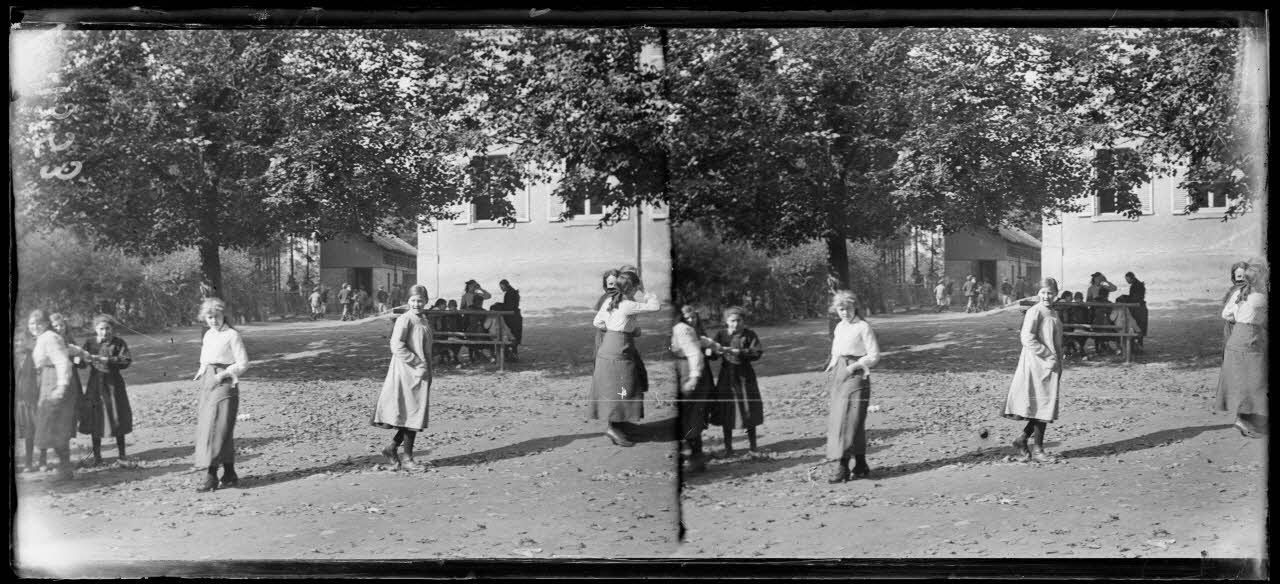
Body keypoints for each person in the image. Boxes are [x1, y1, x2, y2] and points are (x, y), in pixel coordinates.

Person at [590, 271, 661, 447]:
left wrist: (619, 328)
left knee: (619, 386)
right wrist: (646, 292)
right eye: (637, 287)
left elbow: (597, 322)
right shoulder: (628, 304)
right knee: (623, 386)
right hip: (620, 349)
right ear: (634, 287)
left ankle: (620, 424)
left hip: (610, 346)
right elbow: (655, 306)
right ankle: (613, 427)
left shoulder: (611, 300)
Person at [372, 285, 435, 470]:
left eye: (420, 300)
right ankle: (407, 459)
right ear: (408, 301)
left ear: (426, 302)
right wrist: (417, 362)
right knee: (412, 414)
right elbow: (396, 345)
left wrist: (426, 366)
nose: (417, 303)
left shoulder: (422, 319)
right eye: (414, 300)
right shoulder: (405, 319)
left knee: (414, 414)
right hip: (407, 372)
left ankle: (392, 448)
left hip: (420, 373)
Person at [822, 290, 881, 483]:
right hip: (840, 372)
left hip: (857, 372)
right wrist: (832, 366)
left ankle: (842, 467)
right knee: (840, 419)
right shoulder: (839, 326)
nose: (845, 313)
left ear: (855, 307)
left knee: (850, 419)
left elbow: (873, 356)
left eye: (848, 308)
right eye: (841, 309)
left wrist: (853, 367)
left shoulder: (863, 327)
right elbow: (836, 350)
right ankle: (861, 464)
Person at [192, 298, 250, 492]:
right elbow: (204, 358)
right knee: (213, 427)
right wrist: (202, 374)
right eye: (209, 317)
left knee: (218, 428)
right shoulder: (208, 334)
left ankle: (211, 476)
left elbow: (243, 364)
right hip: (208, 382)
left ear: (223, 315)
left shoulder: (232, 335)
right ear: (205, 318)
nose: (213, 320)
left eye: (216, 316)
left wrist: (222, 375)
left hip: (225, 382)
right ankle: (230, 473)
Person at [1003, 280, 1064, 463]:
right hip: (1036, 364)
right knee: (1042, 405)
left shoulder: (1053, 312)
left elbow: (1056, 340)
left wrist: (1059, 360)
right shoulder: (1035, 311)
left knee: (1044, 406)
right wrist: (1047, 354)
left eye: (1050, 293)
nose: (1047, 296)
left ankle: (1022, 439)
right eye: (1043, 293)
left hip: (1051, 365)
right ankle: (1038, 450)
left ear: (1056, 294)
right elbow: (1027, 337)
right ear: (1039, 293)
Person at [31, 309, 89, 481]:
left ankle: (65, 470)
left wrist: (61, 387)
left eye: (39, 323)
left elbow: (62, 362)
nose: (35, 326)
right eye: (32, 323)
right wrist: (82, 352)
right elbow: (67, 348)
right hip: (48, 380)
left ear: (46, 323)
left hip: (56, 381)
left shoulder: (49, 337)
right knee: (51, 426)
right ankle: (64, 468)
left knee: (56, 425)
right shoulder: (47, 337)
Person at [1216, 264, 1268, 438]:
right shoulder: (1261, 297)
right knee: (1255, 379)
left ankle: (1248, 419)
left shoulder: (1241, 293)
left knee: (1245, 380)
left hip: (1238, 337)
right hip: (1250, 340)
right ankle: (1243, 420)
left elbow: (1227, 315)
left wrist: (1242, 317)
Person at [78, 315, 134, 467]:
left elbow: (126, 361)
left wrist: (108, 360)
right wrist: (79, 360)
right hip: (95, 385)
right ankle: (97, 456)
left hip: (113, 385)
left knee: (117, 416)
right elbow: (82, 363)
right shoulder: (90, 343)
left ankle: (122, 455)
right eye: (101, 329)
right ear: (96, 329)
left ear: (112, 329)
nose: (104, 332)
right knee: (96, 418)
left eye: (107, 328)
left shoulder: (118, 343)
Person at [708, 306, 765, 455]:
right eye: (732, 320)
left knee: (748, 408)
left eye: (739, 320)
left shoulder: (749, 334)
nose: (736, 324)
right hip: (727, 376)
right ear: (726, 321)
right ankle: (728, 447)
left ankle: (753, 446)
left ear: (743, 321)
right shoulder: (721, 335)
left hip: (745, 377)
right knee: (728, 409)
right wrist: (710, 351)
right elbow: (713, 354)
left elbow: (756, 353)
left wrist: (740, 352)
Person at [673, 305, 716, 474]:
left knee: (692, 416)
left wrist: (694, 377)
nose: (690, 320)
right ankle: (691, 456)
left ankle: (696, 458)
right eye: (686, 317)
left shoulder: (684, 329)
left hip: (690, 372)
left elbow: (694, 353)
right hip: (683, 370)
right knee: (688, 416)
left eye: (693, 317)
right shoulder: (679, 329)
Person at [15, 326, 42, 472]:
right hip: (18, 401)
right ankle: (26, 463)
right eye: (16, 340)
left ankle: (39, 460)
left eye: (22, 340)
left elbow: (39, 376)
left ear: (28, 341)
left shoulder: (34, 355)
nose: (19, 343)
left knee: (35, 430)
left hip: (32, 399)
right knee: (24, 433)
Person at [1086, 272, 1118, 355]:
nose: (1098, 280)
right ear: (1093, 279)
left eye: (1099, 278)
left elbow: (1114, 288)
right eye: (1096, 278)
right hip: (1095, 309)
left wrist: (1106, 281)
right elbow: (1088, 300)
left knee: (1108, 324)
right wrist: (1094, 302)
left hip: (1105, 308)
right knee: (1097, 326)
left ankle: (1105, 345)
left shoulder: (1104, 286)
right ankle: (1099, 347)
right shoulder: (1091, 288)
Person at [497, 279, 523, 361]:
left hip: (512, 318)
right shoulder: (514, 292)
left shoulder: (509, 293)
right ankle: (513, 355)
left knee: (511, 336)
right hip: (516, 316)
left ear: (505, 285)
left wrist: (498, 306)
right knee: (514, 336)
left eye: (502, 287)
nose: (501, 289)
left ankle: (511, 356)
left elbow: (508, 307)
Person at [1123, 272, 1148, 350]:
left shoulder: (1135, 285)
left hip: (1138, 309)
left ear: (1131, 278)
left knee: (1136, 326)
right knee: (1139, 327)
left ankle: (1137, 346)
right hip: (1140, 308)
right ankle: (1138, 346)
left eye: (1127, 279)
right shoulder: (1138, 284)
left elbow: (1135, 298)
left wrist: (1125, 298)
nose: (1127, 281)